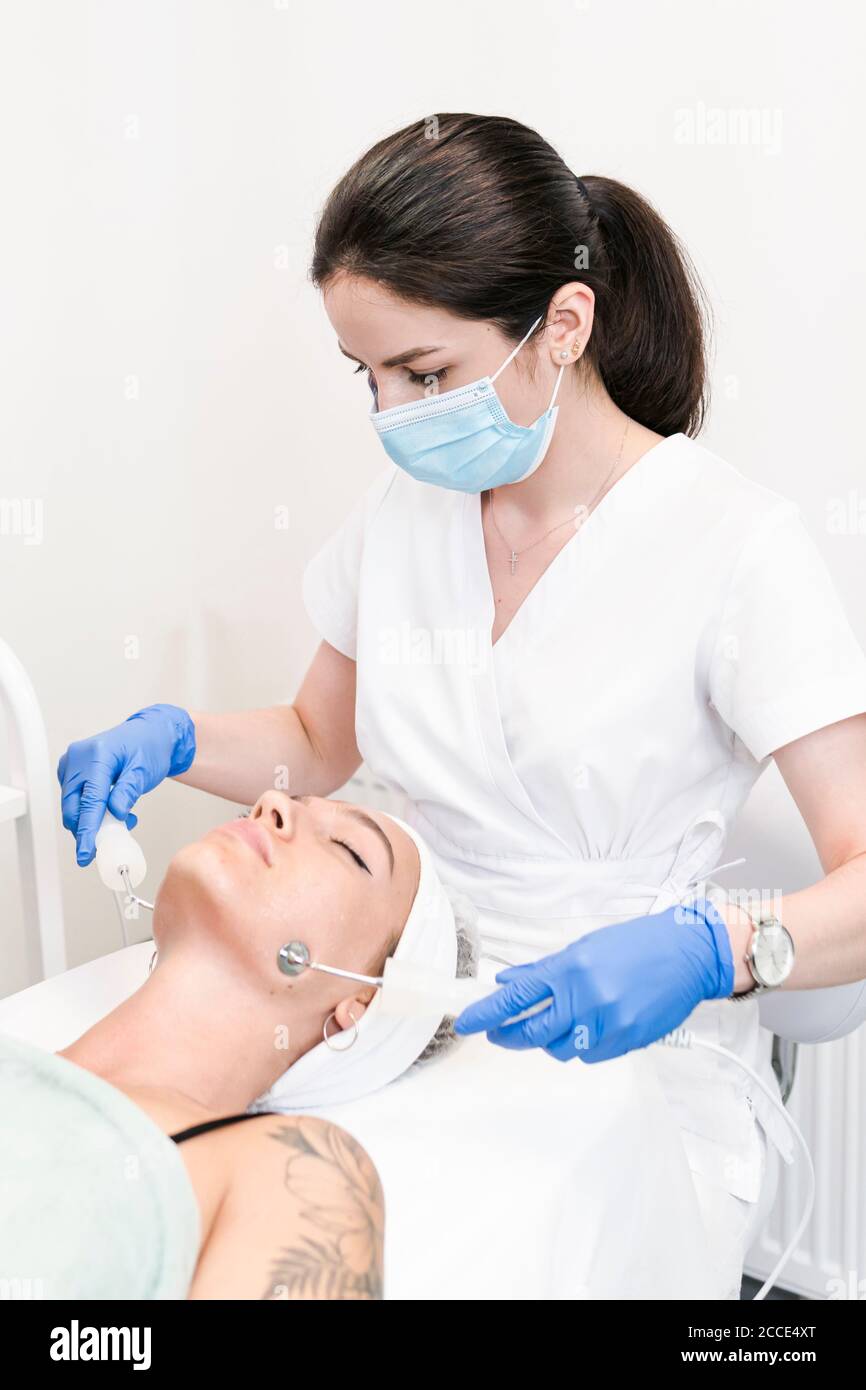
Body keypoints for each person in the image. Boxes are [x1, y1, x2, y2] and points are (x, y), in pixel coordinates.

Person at [58, 114, 866, 1297]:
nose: (390, 414)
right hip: (395, 999)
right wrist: (173, 739)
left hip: (623, 1047)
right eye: (366, 375)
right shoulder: (404, 518)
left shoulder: (735, 550)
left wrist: (716, 951)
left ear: (562, 329)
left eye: (423, 373)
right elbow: (312, 746)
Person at [1, 791, 474, 1299]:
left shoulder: (290, 1175)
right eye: (286, 798)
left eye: (347, 847)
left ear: (358, 1006)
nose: (270, 802)